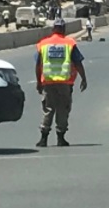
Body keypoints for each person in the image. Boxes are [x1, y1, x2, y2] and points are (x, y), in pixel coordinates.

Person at [35, 19, 88, 147]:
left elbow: (38, 65)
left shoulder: (43, 44)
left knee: (48, 109)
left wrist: (38, 82)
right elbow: (78, 63)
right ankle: (60, 138)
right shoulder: (69, 43)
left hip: (48, 82)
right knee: (63, 110)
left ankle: (43, 139)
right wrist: (83, 78)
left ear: (53, 29)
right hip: (65, 83)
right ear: (64, 30)